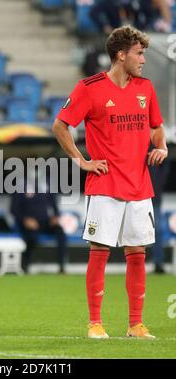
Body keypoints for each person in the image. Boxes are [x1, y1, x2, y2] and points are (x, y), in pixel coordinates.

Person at [52, 25, 168, 339]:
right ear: (121, 54)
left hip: (140, 185)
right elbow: (61, 126)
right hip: (104, 184)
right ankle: (95, 323)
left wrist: (161, 146)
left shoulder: (146, 88)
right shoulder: (89, 88)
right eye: (139, 53)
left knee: (138, 254)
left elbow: (157, 127)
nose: (143, 59)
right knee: (99, 251)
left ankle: (136, 324)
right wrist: (82, 161)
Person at [11, 175, 67, 274]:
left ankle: (61, 267)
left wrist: (55, 216)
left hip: (45, 222)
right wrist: (25, 220)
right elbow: (14, 209)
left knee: (60, 231)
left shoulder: (46, 185)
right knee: (31, 237)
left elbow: (55, 206)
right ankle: (25, 266)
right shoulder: (20, 186)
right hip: (29, 224)